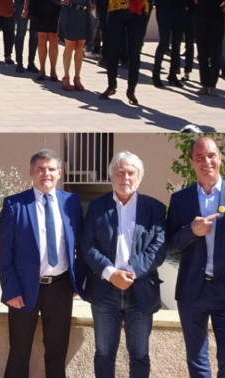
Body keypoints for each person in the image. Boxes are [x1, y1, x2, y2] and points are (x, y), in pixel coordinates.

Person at [167, 136, 225, 378]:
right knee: (196, 359)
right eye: (199, 157)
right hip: (191, 293)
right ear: (191, 162)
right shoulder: (180, 199)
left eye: (211, 155)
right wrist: (191, 231)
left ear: (220, 158)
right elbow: (169, 244)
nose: (206, 161)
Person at [80, 151, 166, 378]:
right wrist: (110, 273)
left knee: (139, 355)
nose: (125, 177)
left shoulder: (155, 208)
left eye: (130, 172)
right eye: (119, 172)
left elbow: (158, 248)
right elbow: (87, 244)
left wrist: (129, 272)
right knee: (104, 353)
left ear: (139, 177)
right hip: (104, 291)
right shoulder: (97, 206)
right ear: (111, 176)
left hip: (141, 293)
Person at [0, 149, 83, 378]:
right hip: (23, 289)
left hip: (61, 287)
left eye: (51, 169)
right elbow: (3, 255)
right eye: (40, 169)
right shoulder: (14, 205)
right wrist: (11, 290)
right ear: (31, 172)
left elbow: (81, 244)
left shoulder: (72, 202)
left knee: (57, 352)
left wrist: (77, 282)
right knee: (19, 352)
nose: (46, 173)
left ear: (59, 173)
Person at [99, 0, 160, 105]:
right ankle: (111, 85)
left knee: (134, 52)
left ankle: (131, 90)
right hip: (116, 10)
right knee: (113, 50)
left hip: (138, 11)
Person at [43, 0, 98, 91]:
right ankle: (66, 76)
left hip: (84, 13)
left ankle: (77, 77)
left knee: (80, 46)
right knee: (70, 45)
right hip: (69, 12)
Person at [152, 0, 189, 88]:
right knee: (164, 41)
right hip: (164, 7)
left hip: (178, 7)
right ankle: (156, 74)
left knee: (177, 42)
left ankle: (173, 74)